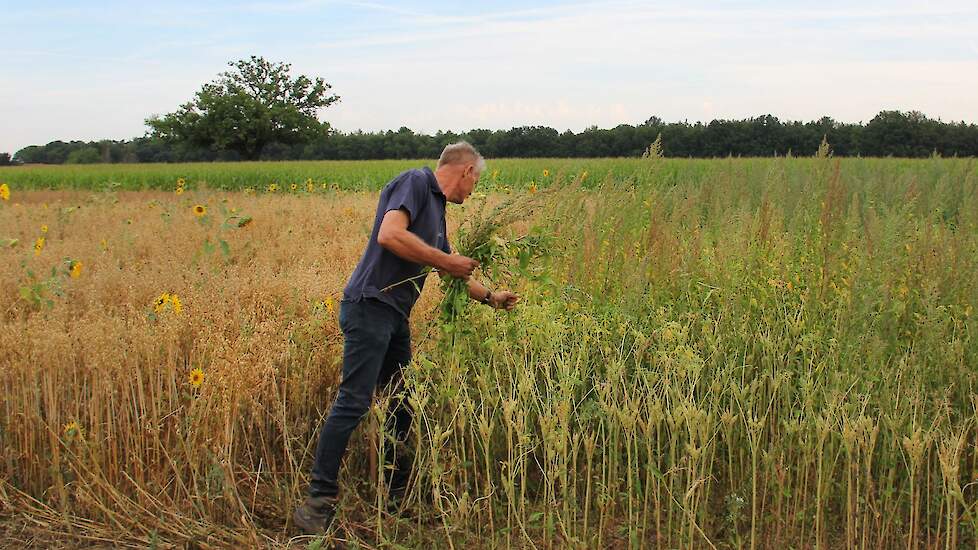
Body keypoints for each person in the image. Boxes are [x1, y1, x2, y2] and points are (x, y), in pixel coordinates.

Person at [293, 142, 519, 535]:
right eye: (476, 181)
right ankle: (317, 502)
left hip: (394, 316)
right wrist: (446, 259)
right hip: (369, 306)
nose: (474, 190)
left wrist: (493, 299)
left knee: (402, 404)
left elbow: (453, 274)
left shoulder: (438, 213)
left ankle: (396, 496)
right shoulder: (416, 182)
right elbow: (390, 235)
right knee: (354, 401)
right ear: (465, 171)